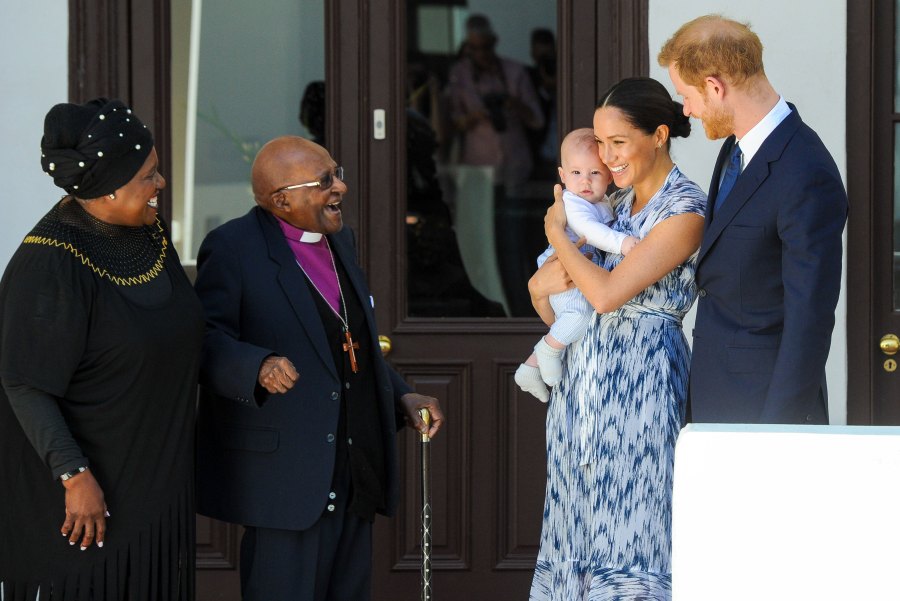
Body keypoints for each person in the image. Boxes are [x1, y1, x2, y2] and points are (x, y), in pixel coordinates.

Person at [193, 135, 444, 601]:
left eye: (337, 174)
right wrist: (257, 365)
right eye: (324, 181)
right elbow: (204, 340)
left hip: (353, 470)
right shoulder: (233, 247)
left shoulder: (339, 240)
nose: (340, 189)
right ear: (280, 199)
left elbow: (351, 344)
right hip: (286, 476)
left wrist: (400, 395)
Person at [0, 98, 202, 600]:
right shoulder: (49, 264)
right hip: (90, 502)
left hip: (155, 485)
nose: (161, 185)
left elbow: (182, 331)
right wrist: (74, 475)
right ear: (108, 188)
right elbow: (24, 382)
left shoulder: (147, 236)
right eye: (148, 176)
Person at [527, 77, 707, 600]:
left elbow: (606, 295)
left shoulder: (684, 209)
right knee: (574, 528)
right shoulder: (611, 205)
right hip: (581, 395)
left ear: (659, 135)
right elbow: (557, 306)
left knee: (634, 524)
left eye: (618, 143)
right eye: (600, 144)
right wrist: (538, 287)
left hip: (641, 388)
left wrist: (557, 236)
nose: (605, 157)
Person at [658, 15, 849, 424]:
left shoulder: (805, 170)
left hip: (765, 414)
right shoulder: (734, 150)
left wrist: (775, 434)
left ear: (714, 86)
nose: (686, 110)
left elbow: (809, 321)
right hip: (716, 400)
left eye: (685, 95)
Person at [515, 128, 639, 402]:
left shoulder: (604, 201)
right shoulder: (572, 203)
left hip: (576, 269)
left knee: (575, 316)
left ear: (608, 174)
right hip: (563, 269)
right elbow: (589, 231)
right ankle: (547, 350)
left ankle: (530, 367)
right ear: (562, 176)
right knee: (579, 315)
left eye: (594, 173)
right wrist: (623, 243)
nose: (585, 181)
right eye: (576, 173)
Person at [446, 13, 545, 316]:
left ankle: (519, 309)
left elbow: (538, 120)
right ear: (467, 47)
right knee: (480, 247)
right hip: (478, 175)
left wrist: (513, 104)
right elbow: (447, 125)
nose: (482, 55)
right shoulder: (460, 75)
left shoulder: (514, 73)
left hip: (515, 172)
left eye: (486, 47)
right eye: (475, 48)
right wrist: (474, 117)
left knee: (514, 244)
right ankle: (487, 309)